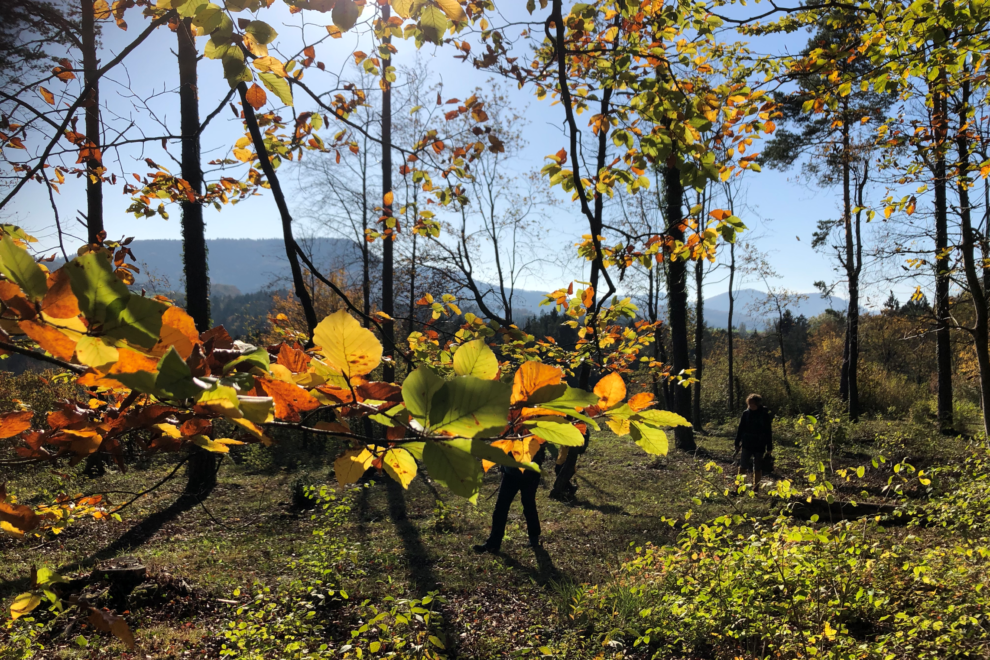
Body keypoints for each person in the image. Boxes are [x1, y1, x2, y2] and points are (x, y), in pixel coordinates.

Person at [473, 443, 546, 554]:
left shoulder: (534, 429)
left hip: (530, 474)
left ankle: (534, 539)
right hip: (510, 473)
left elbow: (541, 445)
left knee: (529, 505)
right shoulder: (510, 426)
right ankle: (493, 544)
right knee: (501, 508)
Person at [734, 393, 773, 489]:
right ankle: (739, 488)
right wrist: (737, 442)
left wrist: (769, 447)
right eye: (749, 404)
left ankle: (756, 488)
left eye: (753, 404)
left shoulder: (764, 415)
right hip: (747, 444)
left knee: (758, 467)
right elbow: (740, 429)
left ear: (758, 404)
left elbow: (768, 431)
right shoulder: (746, 413)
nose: (751, 406)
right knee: (742, 466)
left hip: (759, 444)